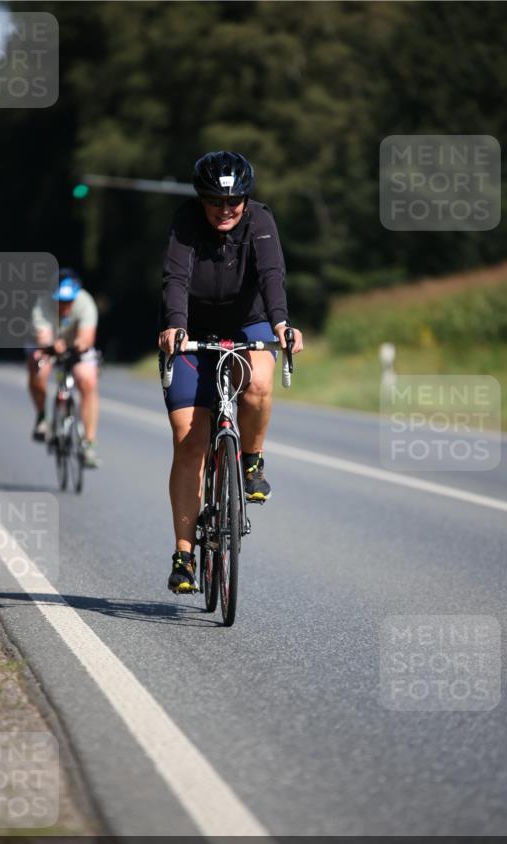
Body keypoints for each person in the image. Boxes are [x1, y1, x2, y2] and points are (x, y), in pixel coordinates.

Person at [158, 151, 304, 593]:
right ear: (202, 200)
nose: (226, 210)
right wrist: (175, 326)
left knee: (259, 380)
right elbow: (175, 279)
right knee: (189, 439)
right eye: (216, 202)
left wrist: (281, 322)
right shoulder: (186, 222)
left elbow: (272, 273)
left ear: (246, 199)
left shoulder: (259, 220)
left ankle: (251, 460)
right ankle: (184, 556)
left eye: (234, 201)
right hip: (192, 329)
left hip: (249, 322)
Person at [27, 268, 101, 468]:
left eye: (69, 301)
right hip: (49, 345)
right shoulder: (42, 304)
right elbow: (42, 337)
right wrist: (51, 346)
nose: (66, 306)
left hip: (76, 347)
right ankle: (42, 417)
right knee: (37, 368)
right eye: (61, 300)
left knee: (87, 380)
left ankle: (89, 444)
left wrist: (79, 344)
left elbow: (87, 336)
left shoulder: (85, 302)